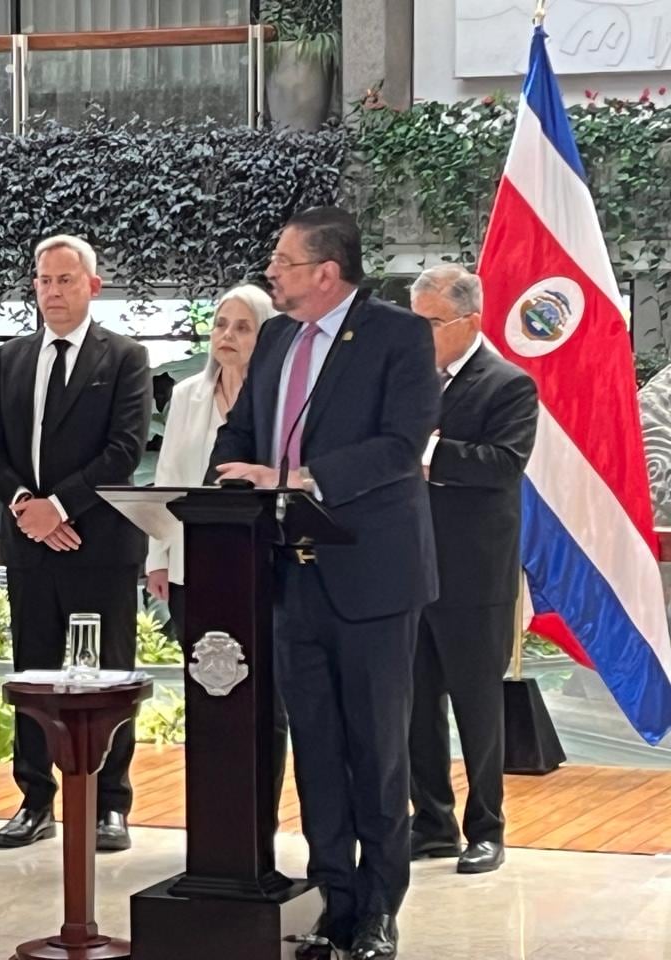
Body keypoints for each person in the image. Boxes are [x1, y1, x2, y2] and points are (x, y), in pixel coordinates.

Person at [209, 207, 440, 960]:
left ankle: (379, 910)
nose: (270, 271)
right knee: (315, 747)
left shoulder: (398, 335)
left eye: (283, 260)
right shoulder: (275, 337)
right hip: (289, 576)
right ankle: (333, 901)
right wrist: (225, 478)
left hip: (371, 576)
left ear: (326, 272)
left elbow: (401, 447)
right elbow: (240, 432)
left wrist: (294, 476)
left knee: (376, 750)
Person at [0, 234, 153, 852]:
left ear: (93, 286)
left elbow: (125, 449)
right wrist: (27, 507)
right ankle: (33, 800)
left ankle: (111, 803)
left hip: (97, 542)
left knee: (106, 674)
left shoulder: (126, 357)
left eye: (65, 280)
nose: (51, 291)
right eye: (43, 280)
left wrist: (60, 506)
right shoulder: (12, 356)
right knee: (33, 671)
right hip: (28, 543)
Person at [408, 265, 538, 875]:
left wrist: (428, 452)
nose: (420, 333)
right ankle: (430, 821)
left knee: (477, 707)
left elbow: (503, 463)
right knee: (414, 705)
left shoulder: (508, 385)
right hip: (407, 569)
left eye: (431, 322)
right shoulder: (405, 381)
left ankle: (487, 826)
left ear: (471, 322)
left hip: (474, 576)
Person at [146, 283, 276, 631]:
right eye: (221, 324)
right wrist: (158, 558)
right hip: (190, 558)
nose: (227, 334)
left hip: (258, 560)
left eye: (243, 327)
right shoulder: (188, 394)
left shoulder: (277, 400)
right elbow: (168, 477)